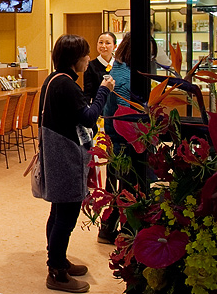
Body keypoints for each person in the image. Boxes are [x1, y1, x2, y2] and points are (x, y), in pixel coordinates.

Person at [39, 34, 115, 293]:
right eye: (84, 55)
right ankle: (58, 272)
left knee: (58, 211)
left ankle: (57, 259)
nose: (87, 59)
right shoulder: (68, 85)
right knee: (67, 215)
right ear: (75, 59)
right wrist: (105, 90)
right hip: (66, 155)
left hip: (54, 152)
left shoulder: (52, 80)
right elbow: (88, 117)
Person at [97, 32, 148, 244]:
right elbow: (126, 112)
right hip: (125, 138)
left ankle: (107, 230)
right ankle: (126, 233)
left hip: (112, 136)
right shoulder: (129, 75)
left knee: (113, 184)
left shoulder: (115, 69)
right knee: (128, 186)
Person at [83, 31, 116, 103]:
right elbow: (88, 92)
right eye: (100, 42)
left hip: (117, 106)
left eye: (107, 43)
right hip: (99, 107)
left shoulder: (119, 65)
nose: (103, 46)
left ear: (114, 46)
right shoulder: (90, 65)